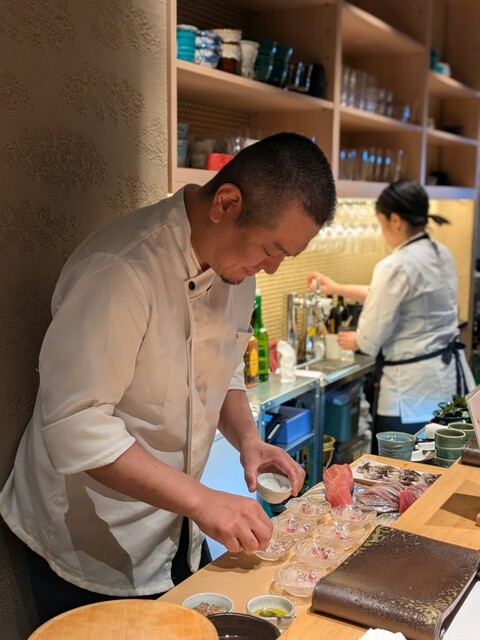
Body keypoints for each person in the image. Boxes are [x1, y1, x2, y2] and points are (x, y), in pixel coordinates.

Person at [0, 132, 336, 623]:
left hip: (176, 526)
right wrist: (201, 499)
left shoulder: (236, 270)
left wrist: (248, 441)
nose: (271, 267)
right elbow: (75, 426)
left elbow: (225, 369)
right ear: (226, 203)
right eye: (272, 248)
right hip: (89, 537)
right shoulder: (120, 271)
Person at [308, 179, 474, 437]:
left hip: (410, 397)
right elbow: (391, 295)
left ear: (395, 220)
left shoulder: (395, 265)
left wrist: (355, 339)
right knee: (441, 459)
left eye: (381, 223)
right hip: (449, 386)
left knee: (400, 462)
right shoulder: (440, 252)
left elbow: (370, 340)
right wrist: (336, 288)